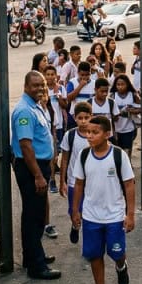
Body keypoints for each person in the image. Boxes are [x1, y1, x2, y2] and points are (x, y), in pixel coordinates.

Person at [70, 116, 135, 284]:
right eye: (88, 132)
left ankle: (121, 266)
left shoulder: (118, 155)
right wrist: (75, 210)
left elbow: (129, 184)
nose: (89, 136)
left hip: (114, 216)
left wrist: (130, 214)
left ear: (107, 134)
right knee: (94, 255)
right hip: (91, 216)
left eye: (94, 132)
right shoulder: (83, 155)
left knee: (116, 252)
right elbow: (79, 184)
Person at [11, 71, 61, 280]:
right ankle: (36, 266)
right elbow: (25, 145)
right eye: (35, 85)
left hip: (38, 166)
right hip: (31, 168)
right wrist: (39, 176)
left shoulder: (35, 105)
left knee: (34, 215)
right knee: (34, 216)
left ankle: (32, 256)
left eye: (42, 85)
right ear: (25, 86)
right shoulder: (24, 110)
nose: (40, 89)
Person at [60, 102, 92, 245]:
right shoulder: (70, 135)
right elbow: (65, 159)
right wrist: (62, 181)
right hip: (74, 182)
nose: (84, 121)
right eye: (80, 118)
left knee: (89, 214)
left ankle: (88, 244)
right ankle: (75, 226)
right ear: (75, 118)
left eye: (87, 117)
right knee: (75, 212)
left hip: (92, 183)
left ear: (92, 117)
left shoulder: (95, 135)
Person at [111, 75, 140, 155]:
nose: (120, 87)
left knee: (127, 152)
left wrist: (132, 110)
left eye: (122, 84)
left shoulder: (133, 95)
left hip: (128, 128)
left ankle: (128, 165)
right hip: (116, 129)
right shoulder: (113, 96)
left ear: (127, 84)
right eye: (118, 84)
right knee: (117, 152)